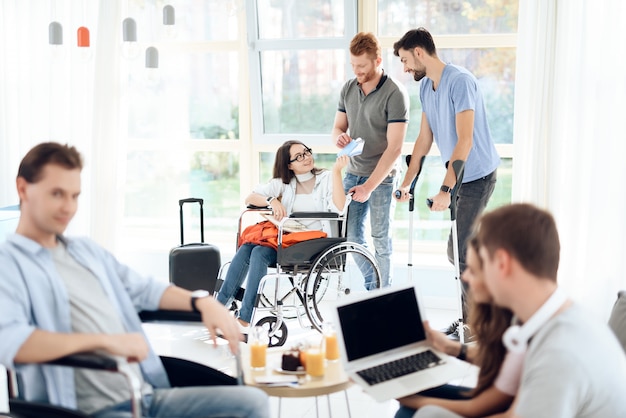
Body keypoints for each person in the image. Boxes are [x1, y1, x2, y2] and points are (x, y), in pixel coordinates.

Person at [0, 142, 270, 418]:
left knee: (253, 403)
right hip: (87, 411)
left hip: (144, 395)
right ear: (23, 188)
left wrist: (202, 303)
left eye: (74, 196)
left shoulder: (85, 251)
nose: (68, 207)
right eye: (57, 194)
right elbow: (12, 341)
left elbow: (145, 290)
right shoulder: (9, 264)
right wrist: (104, 343)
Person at [418, 203, 626, 417]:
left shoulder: (560, 352)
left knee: (427, 414)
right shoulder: (551, 318)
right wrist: (451, 349)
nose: (466, 277)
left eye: (475, 267)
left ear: (502, 263)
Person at [393, 28, 500, 336]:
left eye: (405, 60)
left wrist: (444, 189)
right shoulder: (426, 87)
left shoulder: (461, 81)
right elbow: (424, 139)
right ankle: (475, 319)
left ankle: (476, 324)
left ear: (418, 52)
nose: (405, 69)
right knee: (462, 250)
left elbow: (464, 142)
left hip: (477, 175)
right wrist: (407, 182)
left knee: (460, 251)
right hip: (459, 176)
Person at [217, 140, 349, 329]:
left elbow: (340, 207)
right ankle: (221, 307)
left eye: (307, 151)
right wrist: (271, 200)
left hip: (316, 244)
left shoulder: (327, 177)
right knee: (249, 248)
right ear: (289, 165)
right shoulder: (284, 183)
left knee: (258, 252)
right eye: (299, 156)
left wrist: (337, 172)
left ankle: (245, 315)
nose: (307, 158)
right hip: (289, 241)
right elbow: (251, 197)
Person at [395, 236, 518, 418]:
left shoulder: (543, 338)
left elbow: (491, 407)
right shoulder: (517, 318)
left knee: (413, 411)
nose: (465, 276)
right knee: (412, 404)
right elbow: (507, 369)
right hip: (506, 400)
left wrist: (416, 402)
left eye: (472, 270)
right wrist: (452, 348)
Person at [332, 31, 409, 289]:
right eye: (353, 65)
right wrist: (340, 138)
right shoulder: (348, 88)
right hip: (353, 172)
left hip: (383, 177)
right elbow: (338, 128)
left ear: (377, 60)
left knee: (380, 238)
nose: (357, 71)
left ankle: (381, 298)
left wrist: (369, 186)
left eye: (362, 65)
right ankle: (374, 287)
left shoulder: (395, 93)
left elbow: (395, 148)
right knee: (350, 237)